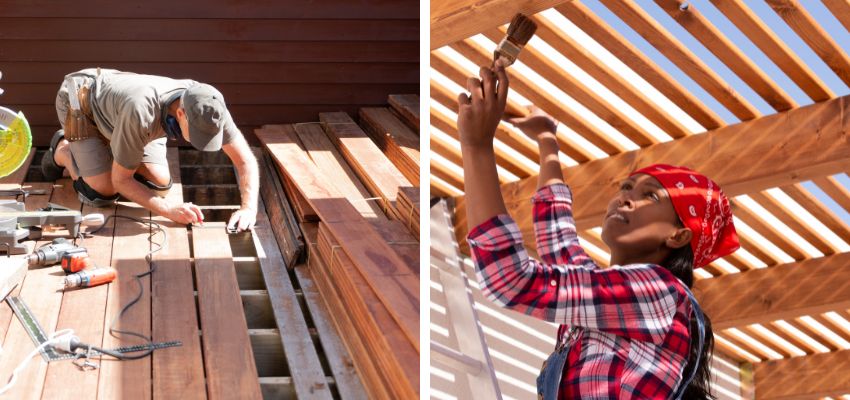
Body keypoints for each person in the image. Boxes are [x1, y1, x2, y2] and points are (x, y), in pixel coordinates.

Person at [457, 61, 739, 399]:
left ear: (678, 235)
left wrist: (476, 147)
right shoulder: (613, 298)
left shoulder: (660, 291)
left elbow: (511, 279)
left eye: (650, 196)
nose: (625, 200)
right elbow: (557, 238)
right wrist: (548, 139)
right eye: (625, 188)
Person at [42, 68, 258, 232]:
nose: (202, 142)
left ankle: (113, 149)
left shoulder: (210, 105)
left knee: (159, 184)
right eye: (198, 135)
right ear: (181, 115)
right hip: (81, 98)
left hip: (124, 113)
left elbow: (245, 160)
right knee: (102, 191)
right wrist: (168, 211)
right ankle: (64, 151)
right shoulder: (141, 111)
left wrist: (248, 208)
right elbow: (121, 182)